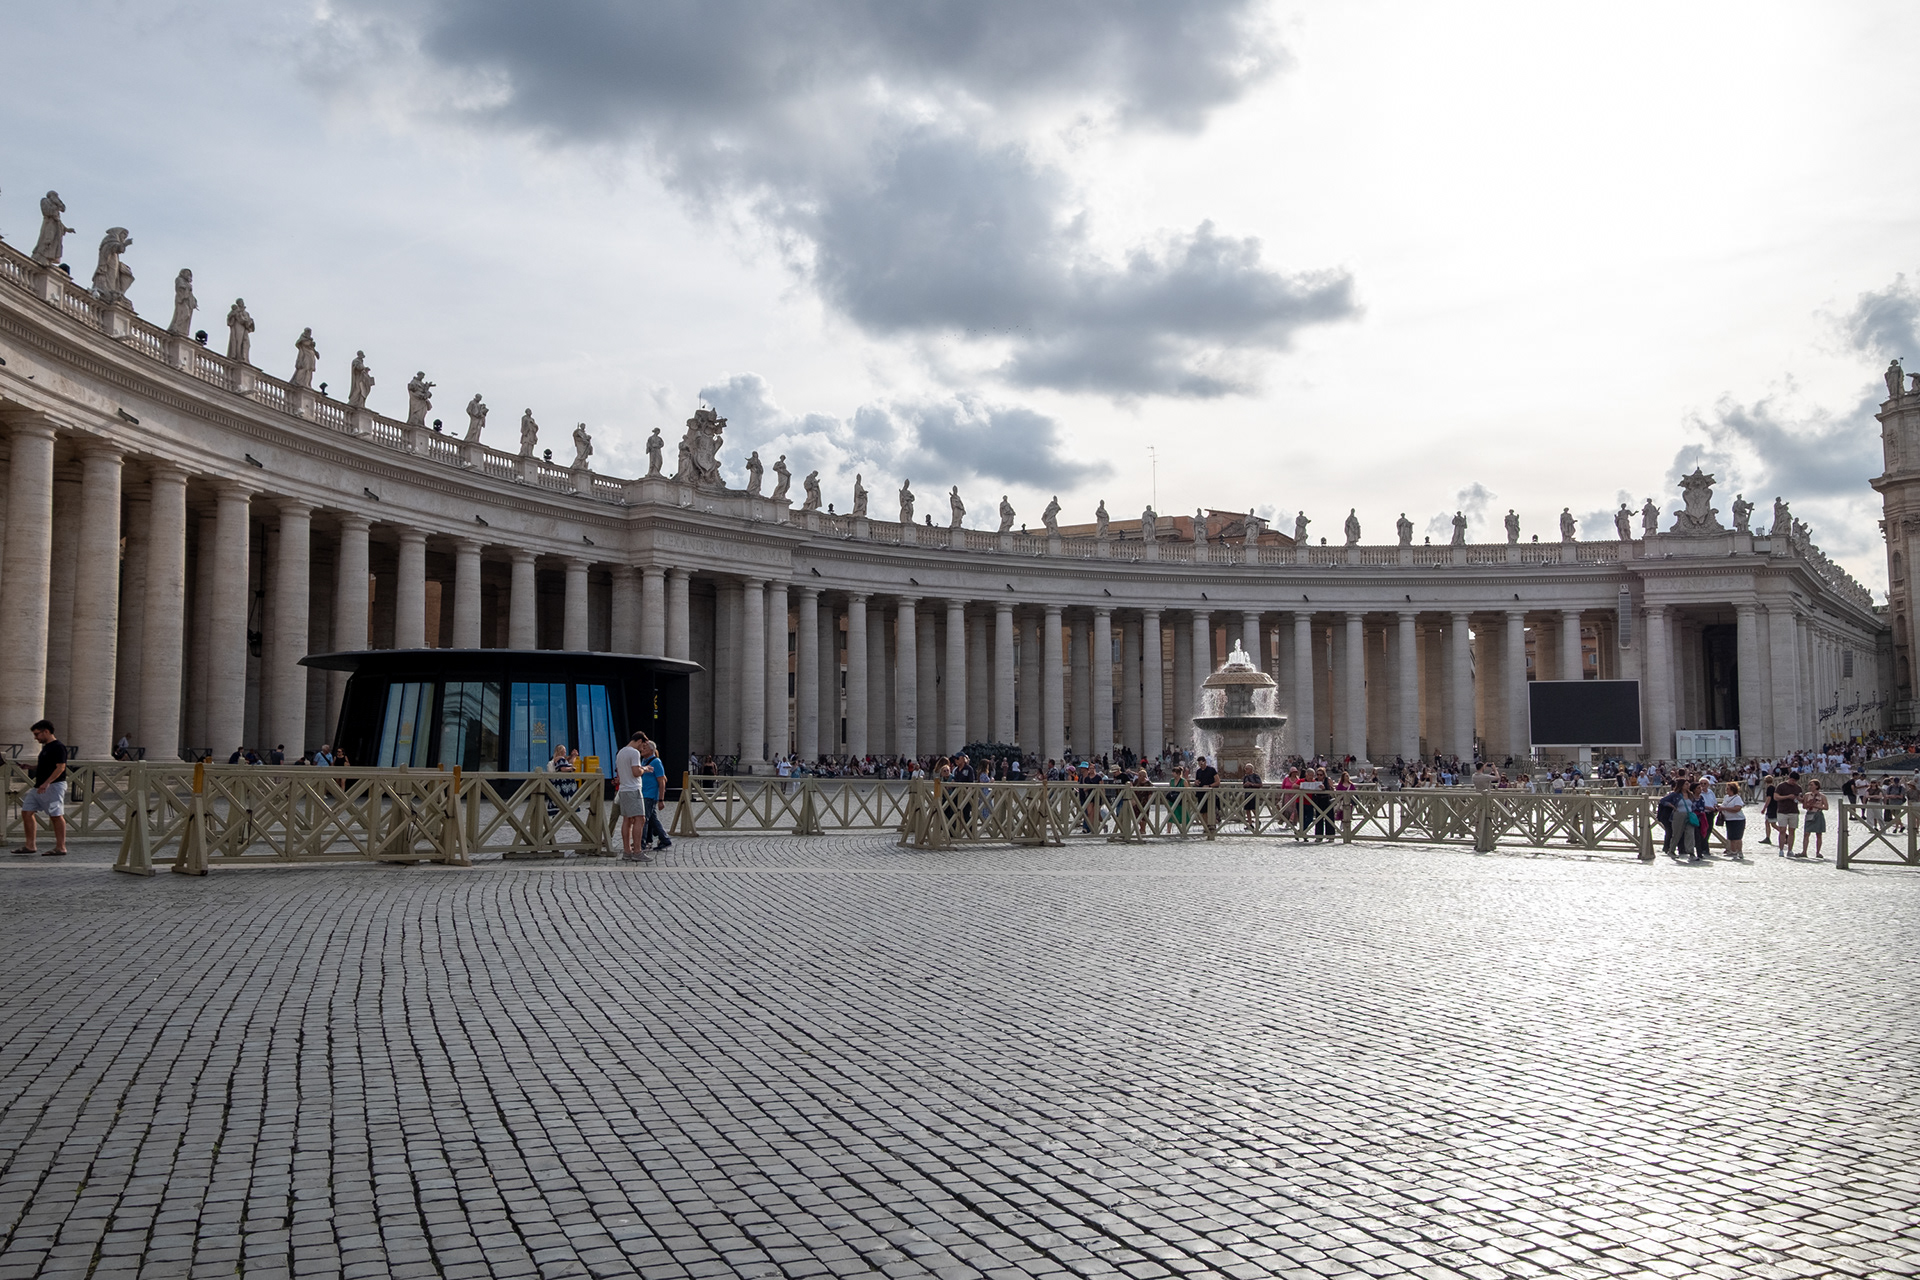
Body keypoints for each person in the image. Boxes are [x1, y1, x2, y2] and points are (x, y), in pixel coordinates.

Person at [15, 720, 69, 856]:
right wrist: (30, 767)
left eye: (37, 734)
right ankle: (30, 845)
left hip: (54, 786)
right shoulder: (46, 747)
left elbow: (61, 767)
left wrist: (47, 783)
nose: (35, 738)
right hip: (39, 786)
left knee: (56, 815)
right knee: (26, 811)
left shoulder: (58, 747)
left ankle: (61, 847)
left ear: (46, 731)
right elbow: (47, 766)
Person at [615, 730, 651, 862]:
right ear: (640, 741)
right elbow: (636, 772)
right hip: (633, 789)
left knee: (627, 820)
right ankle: (637, 851)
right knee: (640, 819)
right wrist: (645, 769)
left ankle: (627, 851)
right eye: (643, 746)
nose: (642, 749)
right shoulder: (634, 753)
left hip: (623, 789)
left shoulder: (620, 752)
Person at [639, 739, 672, 853]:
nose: (642, 750)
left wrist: (661, 799)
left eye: (645, 748)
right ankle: (665, 839)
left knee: (643, 819)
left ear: (651, 750)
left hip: (650, 794)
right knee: (653, 819)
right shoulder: (643, 761)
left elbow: (661, 780)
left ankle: (641, 844)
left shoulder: (656, 762)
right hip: (644, 793)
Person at [1773, 769, 1802, 855]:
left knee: (1792, 831)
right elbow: (1776, 797)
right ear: (1789, 778)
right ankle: (1781, 849)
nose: (1793, 782)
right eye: (1792, 780)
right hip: (1782, 811)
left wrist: (1799, 798)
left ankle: (1790, 850)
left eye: (1795, 781)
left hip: (1794, 811)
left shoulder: (1798, 788)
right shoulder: (1781, 786)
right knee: (1782, 830)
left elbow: (1801, 798)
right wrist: (1787, 797)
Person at [1717, 782, 1747, 860]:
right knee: (1731, 836)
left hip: (1738, 819)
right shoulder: (1726, 797)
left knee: (1737, 837)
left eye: (1728, 789)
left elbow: (1737, 808)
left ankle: (1739, 851)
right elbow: (1724, 805)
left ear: (1732, 790)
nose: (1726, 790)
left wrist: (1724, 808)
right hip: (1729, 819)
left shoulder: (1737, 798)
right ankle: (1733, 851)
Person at [1800, 780, 1828, 859]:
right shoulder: (1807, 795)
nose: (1810, 787)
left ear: (1817, 786)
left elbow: (1826, 807)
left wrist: (1817, 806)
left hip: (1818, 814)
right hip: (1810, 813)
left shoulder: (1822, 796)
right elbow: (1804, 806)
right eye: (1809, 785)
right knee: (1806, 833)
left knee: (1818, 834)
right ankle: (1804, 851)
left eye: (1811, 785)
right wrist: (1808, 804)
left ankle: (1818, 852)